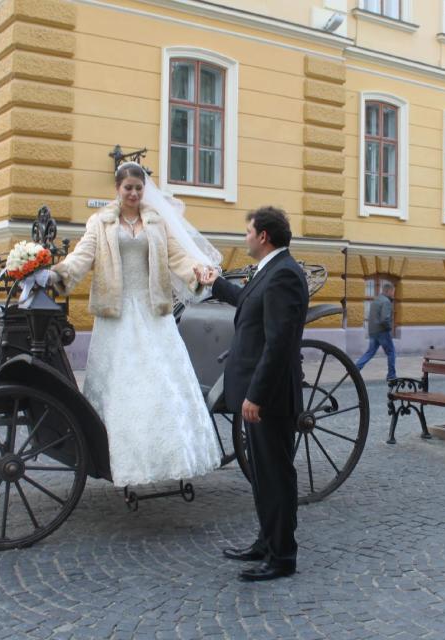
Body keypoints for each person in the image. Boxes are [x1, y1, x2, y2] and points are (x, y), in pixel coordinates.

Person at [48, 162, 222, 487]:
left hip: (153, 310)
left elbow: (177, 256)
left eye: (138, 188)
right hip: (116, 314)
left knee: (161, 382)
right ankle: (116, 461)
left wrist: (197, 271)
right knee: (122, 386)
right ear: (117, 189)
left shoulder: (156, 222)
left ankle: (171, 457)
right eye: (128, 188)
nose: (133, 193)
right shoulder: (100, 222)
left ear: (144, 190)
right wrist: (62, 273)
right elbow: (83, 255)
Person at [196, 206, 309, 582]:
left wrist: (256, 396)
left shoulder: (285, 276)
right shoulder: (271, 271)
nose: (244, 238)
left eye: (247, 232)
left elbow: (278, 345)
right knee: (262, 476)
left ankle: (282, 557)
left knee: (276, 475)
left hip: (270, 399)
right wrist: (215, 283)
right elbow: (248, 301)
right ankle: (266, 542)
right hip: (258, 393)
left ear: (263, 237)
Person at [355, 282, 397, 380]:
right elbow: (384, 319)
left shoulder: (376, 300)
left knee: (370, 352)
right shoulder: (386, 301)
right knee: (391, 352)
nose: (393, 294)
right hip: (383, 331)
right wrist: (389, 328)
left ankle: (356, 368)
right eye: (393, 292)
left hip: (373, 331)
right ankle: (391, 375)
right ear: (388, 291)